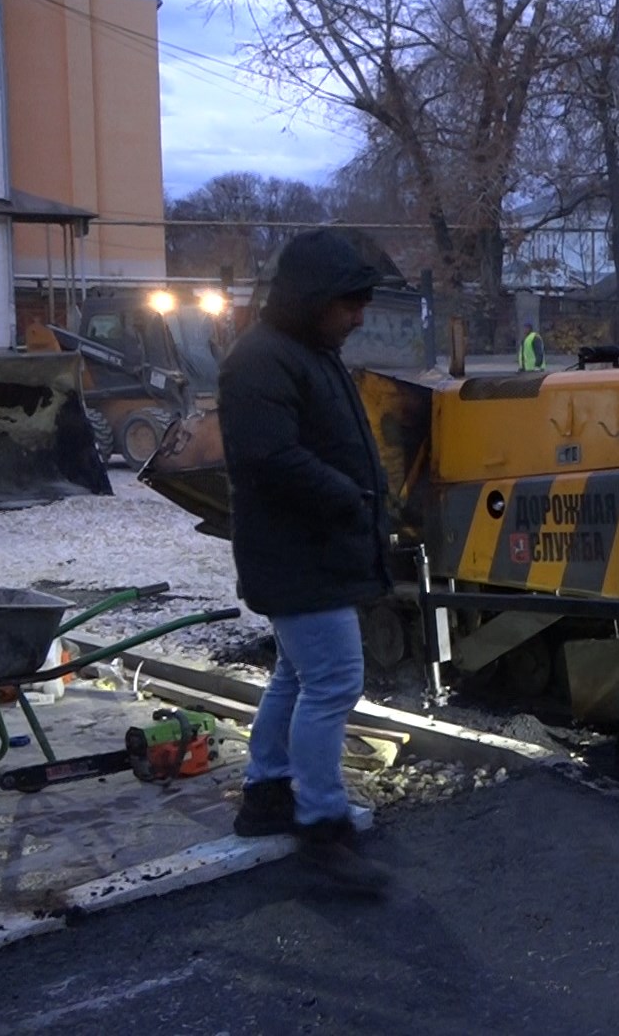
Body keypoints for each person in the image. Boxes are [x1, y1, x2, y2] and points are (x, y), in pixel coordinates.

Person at [220, 229, 392, 894]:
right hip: (299, 554)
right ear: (313, 298)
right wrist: (347, 496)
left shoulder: (302, 352)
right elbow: (269, 457)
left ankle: (267, 792)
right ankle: (322, 826)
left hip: (306, 551)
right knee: (334, 683)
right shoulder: (262, 360)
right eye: (350, 304)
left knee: (296, 677)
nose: (359, 316)